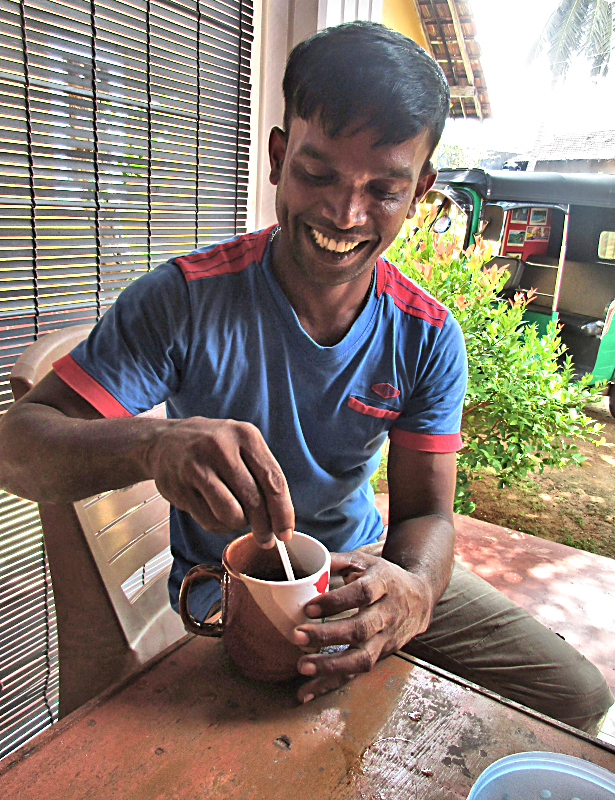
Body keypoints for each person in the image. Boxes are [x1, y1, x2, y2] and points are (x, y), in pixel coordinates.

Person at [0, 21, 611, 732]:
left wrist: (410, 589)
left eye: (381, 189)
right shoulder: (184, 299)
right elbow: (18, 446)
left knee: (576, 697)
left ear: (418, 191)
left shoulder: (427, 335)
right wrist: (153, 446)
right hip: (235, 591)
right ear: (278, 158)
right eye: (318, 173)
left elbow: (425, 517)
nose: (343, 215)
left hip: (362, 572)